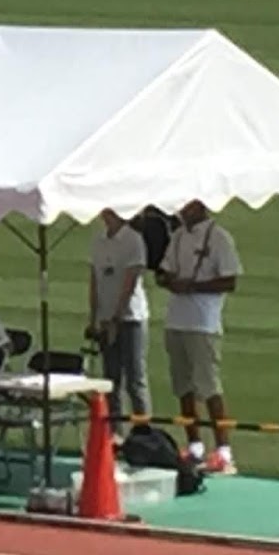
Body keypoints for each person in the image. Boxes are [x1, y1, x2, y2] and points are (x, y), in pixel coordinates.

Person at [156, 199, 241, 474]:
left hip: (204, 323)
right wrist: (169, 281)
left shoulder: (219, 237)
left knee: (209, 387)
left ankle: (224, 452)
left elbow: (230, 280)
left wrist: (192, 286)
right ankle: (194, 446)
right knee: (184, 387)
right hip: (177, 320)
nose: (181, 210)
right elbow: (165, 270)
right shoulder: (179, 236)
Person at [86, 208, 152, 433]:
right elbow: (94, 281)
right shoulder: (99, 241)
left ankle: (144, 434)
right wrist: (95, 317)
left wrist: (117, 316)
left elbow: (130, 282)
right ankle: (115, 434)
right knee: (111, 379)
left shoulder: (133, 240)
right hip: (106, 318)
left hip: (131, 317)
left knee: (135, 378)